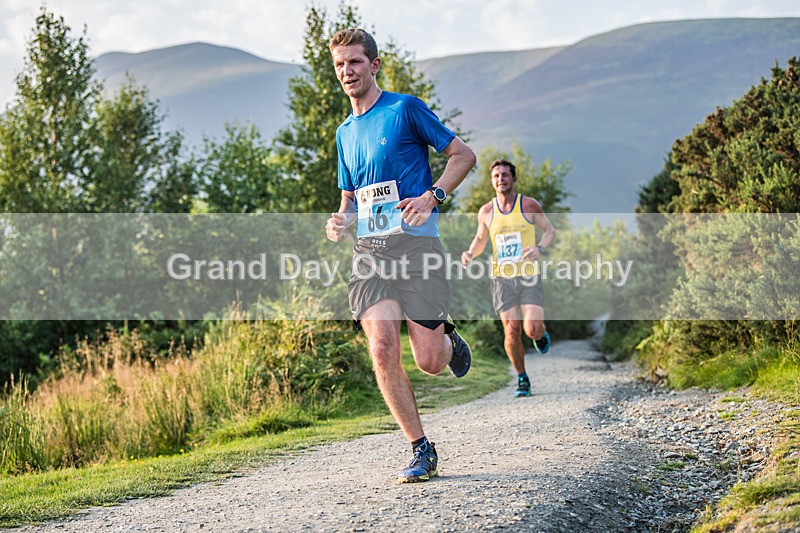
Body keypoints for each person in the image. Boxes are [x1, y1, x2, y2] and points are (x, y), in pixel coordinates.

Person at [324, 28, 476, 483]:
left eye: (355, 62)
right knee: (382, 346)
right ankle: (420, 447)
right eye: (339, 65)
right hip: (369, 252)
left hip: (417, 246)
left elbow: (463, 156)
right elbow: (350, 199)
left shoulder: (404, 109)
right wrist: (339, 220)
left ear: (373, 65)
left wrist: (433, 195)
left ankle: (447, 341)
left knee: (429, 361)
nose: (347, 72)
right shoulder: (344, 133)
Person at [461, 159, 555, 397]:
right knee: (511, 331)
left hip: (528, 275)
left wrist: (540, 249)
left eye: (505, 175)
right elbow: (481, 239)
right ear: (492, 181)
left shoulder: (529, 205)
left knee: (531, 329)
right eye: (496, 176)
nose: (500, 179)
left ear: (514, 179)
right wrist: (471, 252)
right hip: (502, 279)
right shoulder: (486, 212)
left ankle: (540, 334)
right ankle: (522, 378)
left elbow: (549, 231)